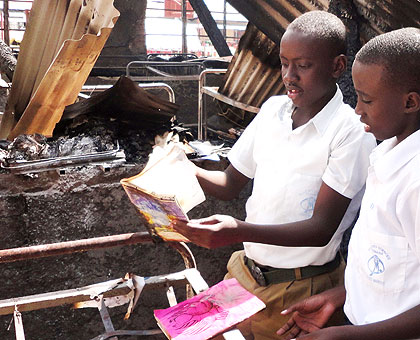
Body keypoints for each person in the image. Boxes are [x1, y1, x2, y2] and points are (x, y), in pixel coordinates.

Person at [173, 11, 376, 339]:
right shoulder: (272, 112)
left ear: (338, 66)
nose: (289, 76)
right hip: (244, 273)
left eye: (303, 65)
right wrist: (179, 166)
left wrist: (237, 230)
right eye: (284, 63)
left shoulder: (350, 131)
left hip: (302, 290)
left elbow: (320, 230)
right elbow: (229, 184)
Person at [276, 27, 420, 340]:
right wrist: (343, 295)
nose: (357, 109)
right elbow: (395, 265)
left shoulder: (416, 181)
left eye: (367, 100)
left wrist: (347, 336)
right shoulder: (387, 153)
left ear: (410, 102)